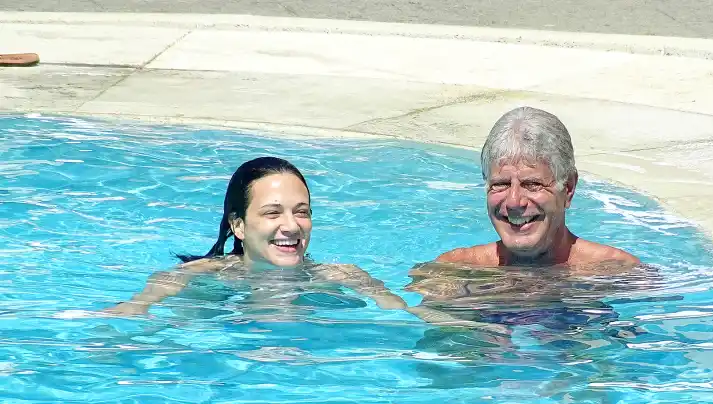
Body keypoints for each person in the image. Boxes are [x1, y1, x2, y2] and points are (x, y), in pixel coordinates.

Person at [105, 156, 407, 316]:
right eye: (272, 213)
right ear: (238, 226)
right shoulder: (197, 277)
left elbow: (403, 319)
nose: (291, 226)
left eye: (301, 212)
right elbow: (134, 312)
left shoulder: (345, 277)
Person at [435, 106, 639, 269]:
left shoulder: (617, 274)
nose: (514, 201)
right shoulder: (455, 273)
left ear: (568, 188)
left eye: (532, 184)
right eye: (501, 184)